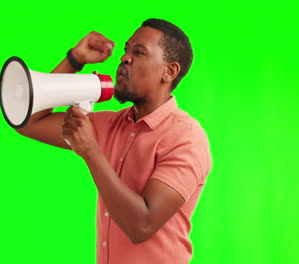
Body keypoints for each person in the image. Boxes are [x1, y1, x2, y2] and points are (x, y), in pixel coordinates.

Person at [16, 18, 212, 264]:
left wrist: (90, 150)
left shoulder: (186, 138)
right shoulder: (109, 125)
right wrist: (75, 60)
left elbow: (142, 225)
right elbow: (29, 121)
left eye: (138, 52)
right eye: (126, 50)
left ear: (169, 71)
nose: (125, 58)